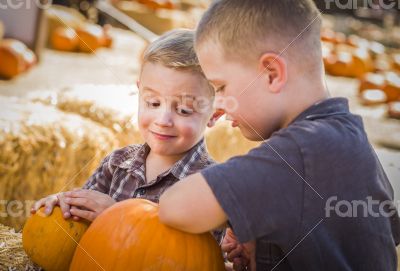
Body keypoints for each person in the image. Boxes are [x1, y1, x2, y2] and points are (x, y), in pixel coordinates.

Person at [158, 1, 400, 270]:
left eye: (221, 87)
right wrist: (264, 246)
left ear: (272, 74)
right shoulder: (349, 136)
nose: (219, 103)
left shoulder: (300, 151)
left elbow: (176, 207)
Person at [31, 28, 223, 241]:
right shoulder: (116, 164)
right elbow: (80, 222)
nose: (163, 120)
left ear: (215, 113)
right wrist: (63, 207)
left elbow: (196, 259)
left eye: (184, 110)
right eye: (153, 103)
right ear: (139, 92)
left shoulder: (213, 188)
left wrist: (117, 217)